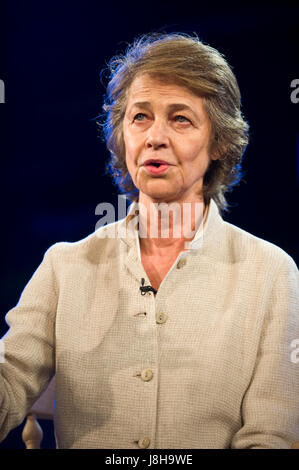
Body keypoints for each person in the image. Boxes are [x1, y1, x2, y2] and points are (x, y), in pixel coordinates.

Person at [0, 33, 298, 449]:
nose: (155, 137)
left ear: (218, 143)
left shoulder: (271, 273)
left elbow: (273, 435)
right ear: (122, 137)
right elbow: (9, 381)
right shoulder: (64, 268)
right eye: (140, 117)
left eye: (180, 119)